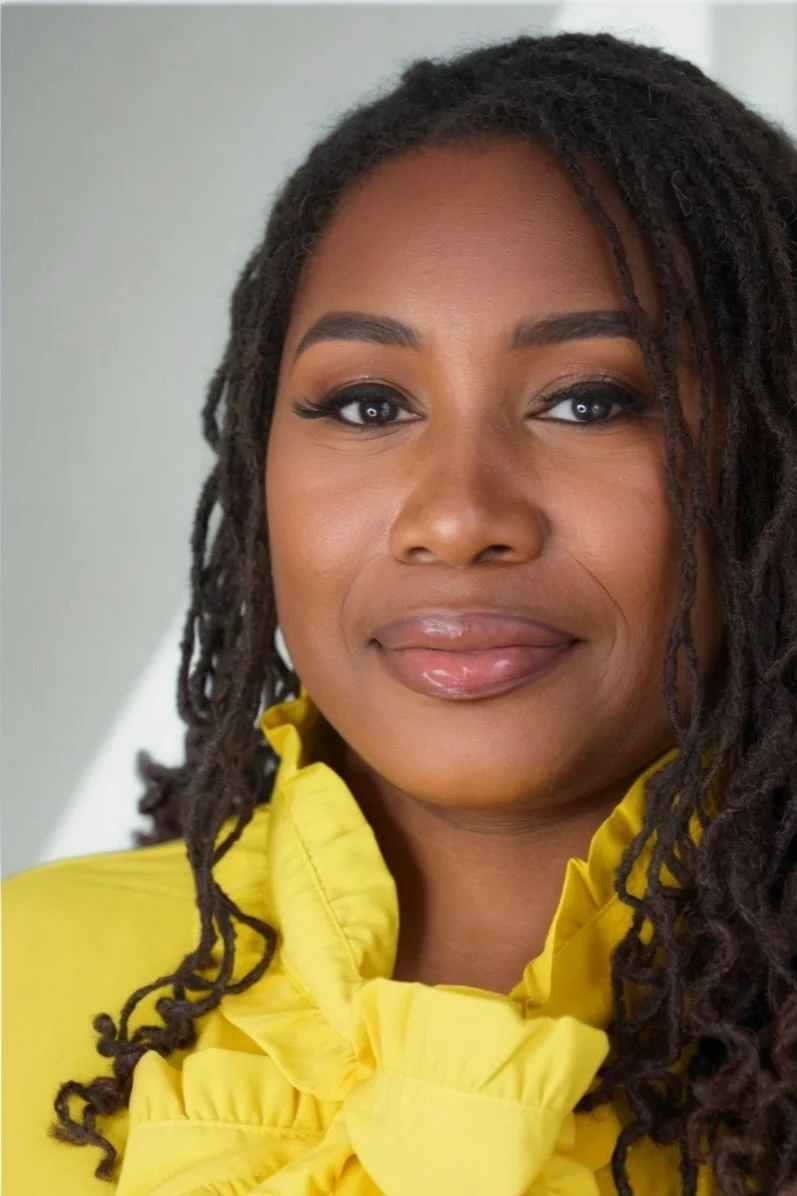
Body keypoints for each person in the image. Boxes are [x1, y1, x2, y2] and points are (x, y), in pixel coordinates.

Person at [4, 26, 797, 1196]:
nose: (457, 514)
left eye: (588, 400)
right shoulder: (22, 977)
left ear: (767, 460)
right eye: (368, 403)